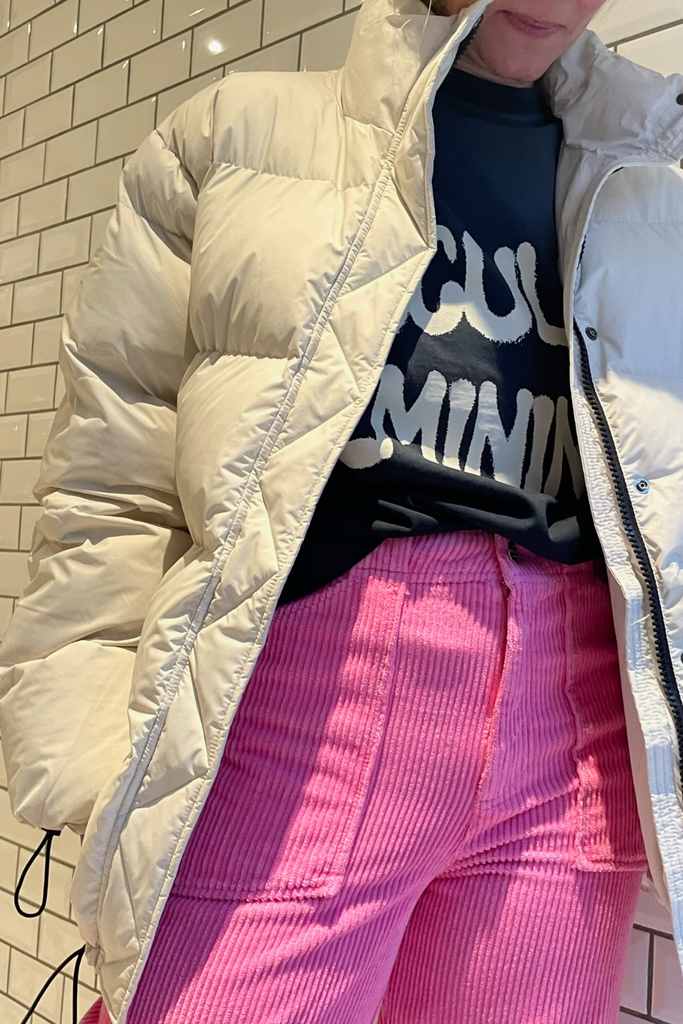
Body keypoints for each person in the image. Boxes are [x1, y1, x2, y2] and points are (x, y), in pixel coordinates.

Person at [2, 0, 683, 1021]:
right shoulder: (234, 136)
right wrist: (85, 752)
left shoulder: (652, 186)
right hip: (296, 712)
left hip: (570, 730)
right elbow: (114, 478)